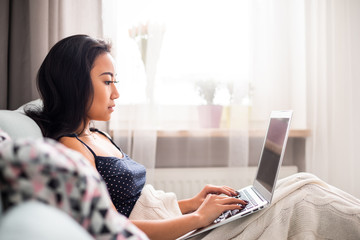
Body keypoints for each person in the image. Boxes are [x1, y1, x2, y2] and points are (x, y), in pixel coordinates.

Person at [26, 34, 360, 240]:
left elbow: (137, 204)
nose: (116, 92)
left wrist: (194, 202)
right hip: (182, 234)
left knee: (300, 182)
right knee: (306, 199)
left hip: (183, 223)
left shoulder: (96, 135)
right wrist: (198, 218)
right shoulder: (71, 150)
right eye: (107, 81)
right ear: (75, 83)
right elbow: (112, 226)